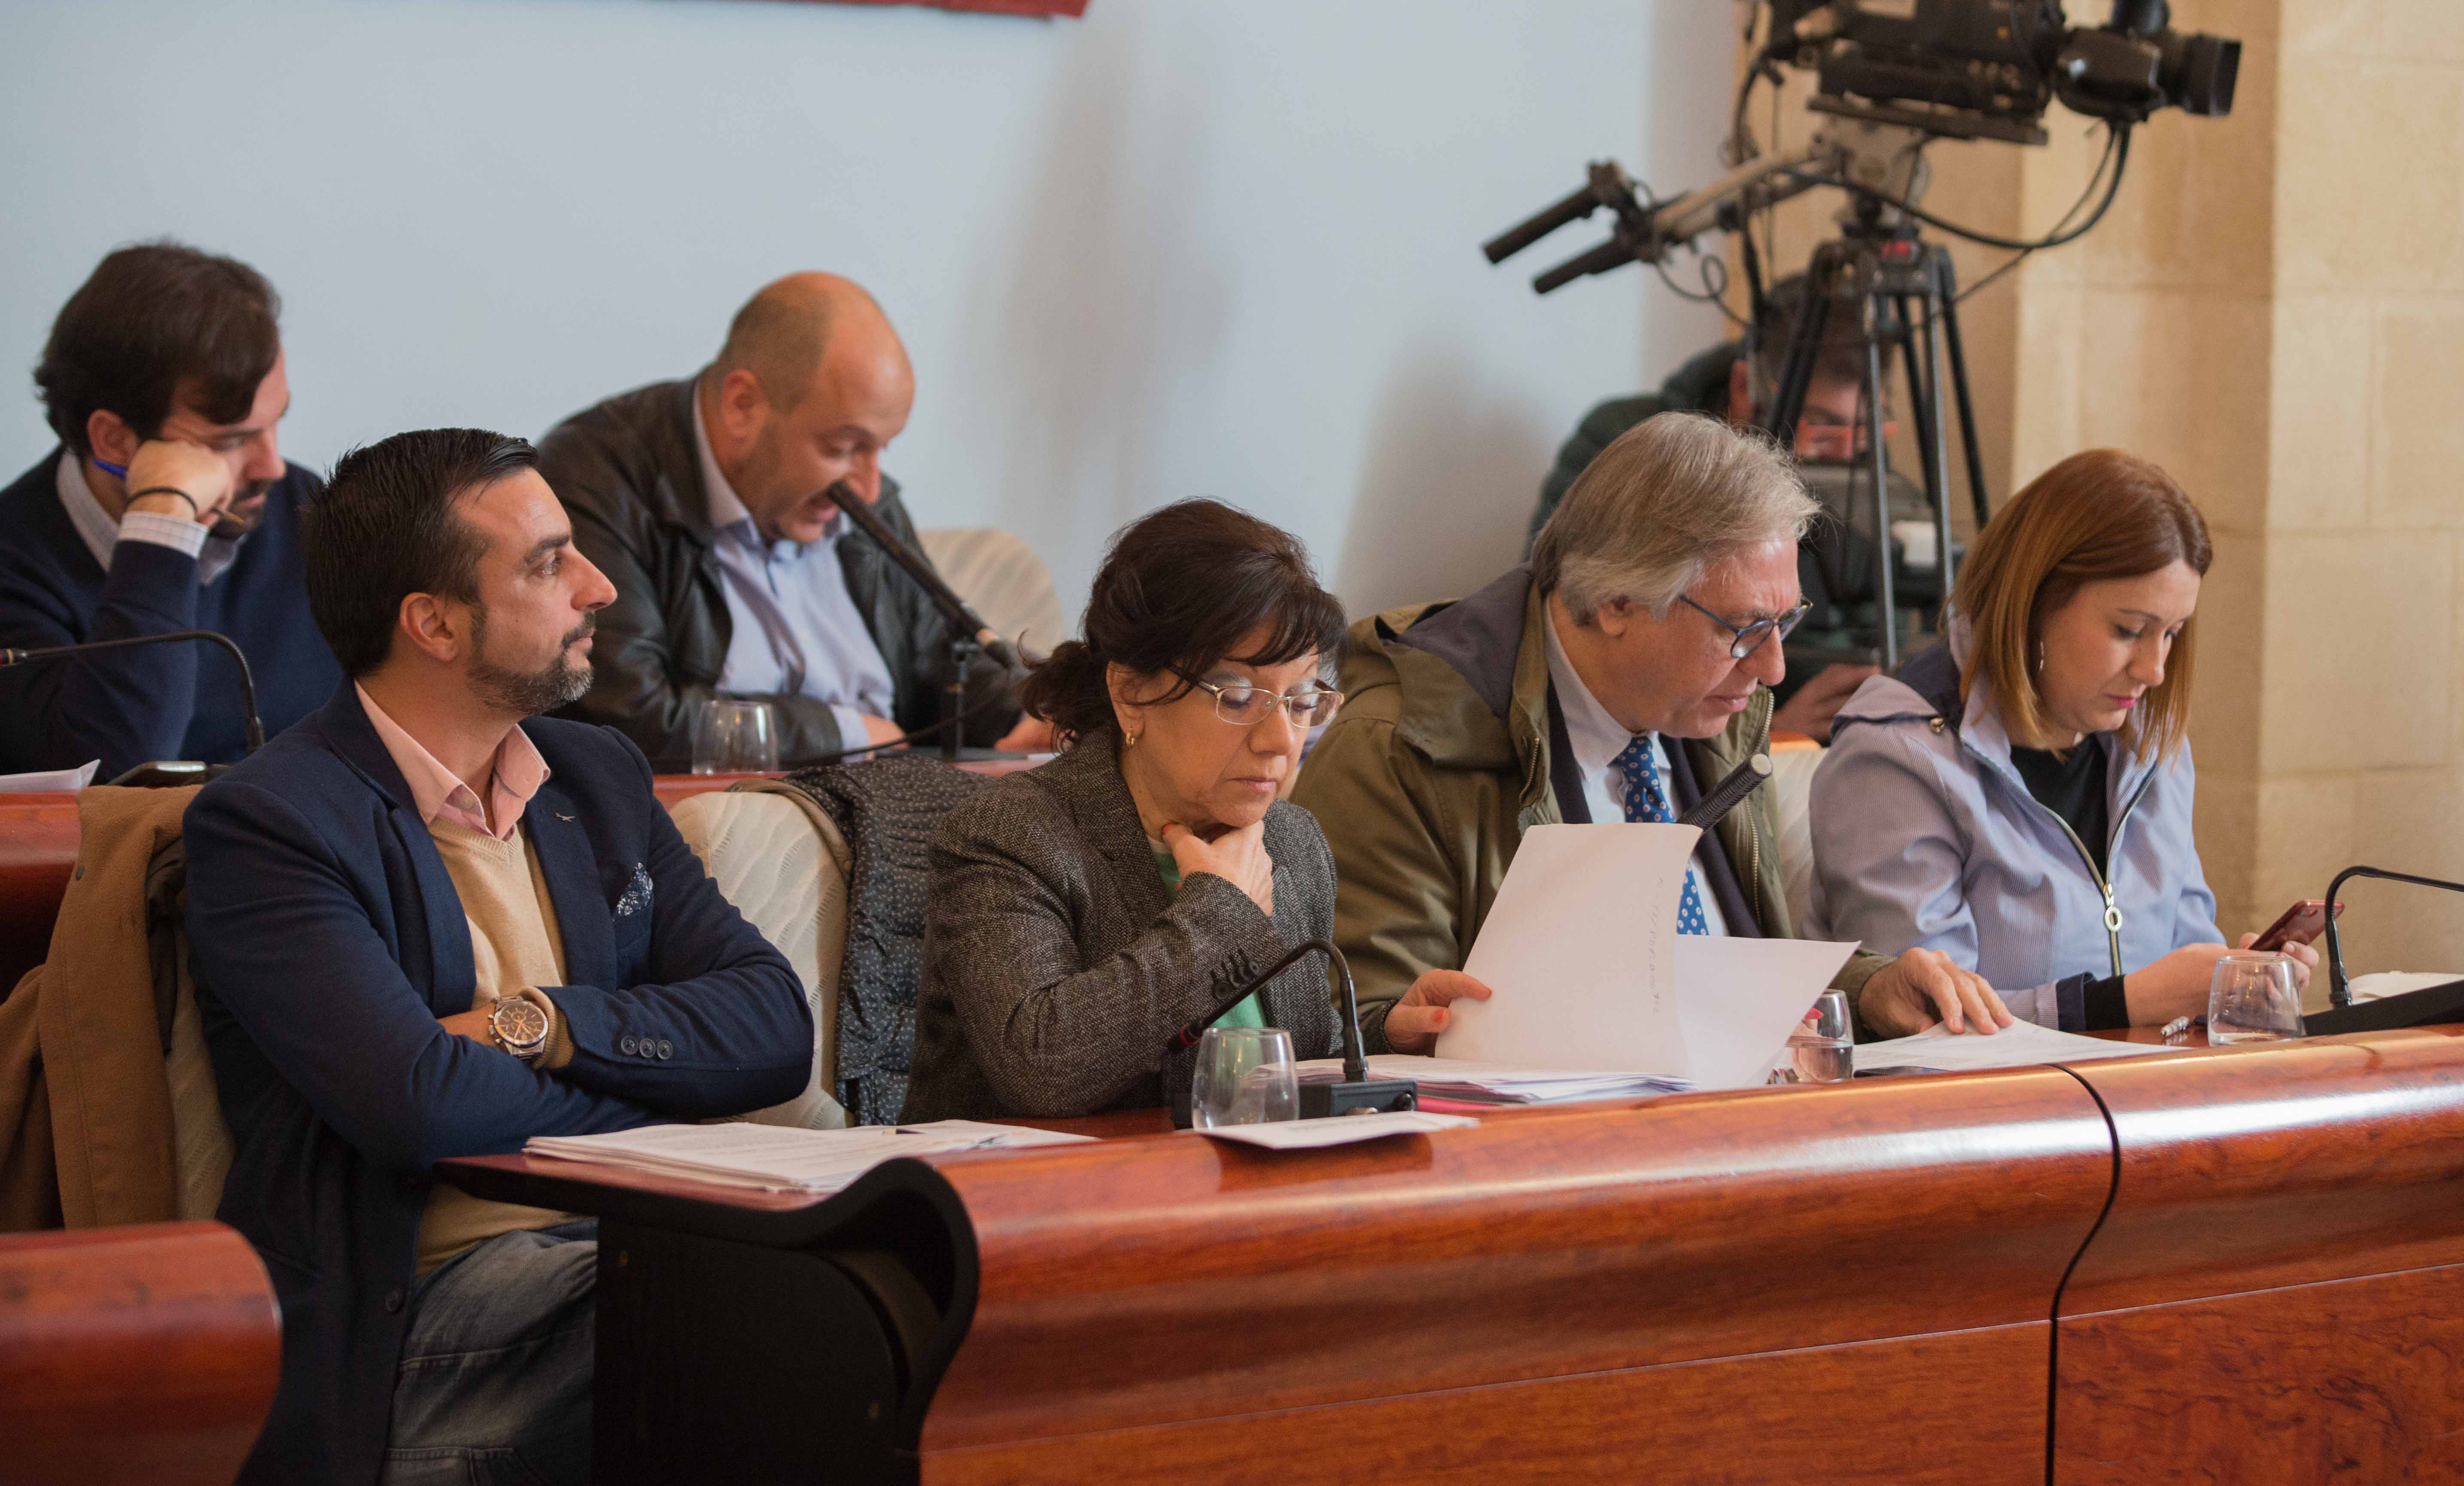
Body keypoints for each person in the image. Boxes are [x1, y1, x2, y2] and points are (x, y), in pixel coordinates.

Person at [185, 429, 812, 1486]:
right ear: (431, 621)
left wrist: (542, 1027)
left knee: (892, 1272)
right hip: (416, 1337)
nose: (598, 586)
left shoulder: (598, 774)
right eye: (545, 563)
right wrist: (669, 1077)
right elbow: (417, 1104)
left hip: (627, 1245)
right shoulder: (272, 823)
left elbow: (772, 1026)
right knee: (768, 1315)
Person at [1295, 411, 2007, 1051]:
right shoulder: (1401, 746)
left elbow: (1716, 964)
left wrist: (1867, 990)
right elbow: (1367, 1037)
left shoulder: (1709, 719)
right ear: (1614, 603)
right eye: (1744, 629)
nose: (1773, 667)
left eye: (1785, 621)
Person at [904, 500, 1487, 1121]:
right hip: (1043, 1205)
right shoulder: (1011, 836)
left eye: (1300, 700)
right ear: (1132, 693)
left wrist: (1384, 1040)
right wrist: (1218, 914)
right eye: (1238, 696)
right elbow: (1043, 1070)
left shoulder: (1291, 840)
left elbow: (1286, 1065)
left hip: (1248, 1198)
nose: (1281, 740)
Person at [1804, 448, 2316, 1029]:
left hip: (2142, 1106)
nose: (2155, 671)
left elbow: (2186, 962)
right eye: (2129, 630)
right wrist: (2119, 1004)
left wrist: (2235, 987)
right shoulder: (1896, 758)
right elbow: (1927, 1022)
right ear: (2035, 603)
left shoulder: (2152, 746)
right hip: (1985, 1115)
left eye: (2171, 634)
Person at [536, 272, 1051, 770]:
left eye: (881, 450)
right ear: (742, 405)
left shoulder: (855, 496)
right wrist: (844, 732)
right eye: (842, 447)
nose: (871, 490)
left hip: (891, 807)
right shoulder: (594, 481)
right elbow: (629, 716)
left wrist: (1034, 710)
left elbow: (942, 662)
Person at [0, 242, 338, 778]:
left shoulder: (310, 511)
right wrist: (163, 526)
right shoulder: (15, 564)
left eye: (275, 423)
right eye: (231, 441)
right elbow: (109, 774)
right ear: (114, 440)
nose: (271, 465)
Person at [1528, 279, 1905, 743]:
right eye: (1821, 426)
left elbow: (1876, 602)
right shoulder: (1626, 446)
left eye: (1864, 430)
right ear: (1747, 387)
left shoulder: (1854, 463)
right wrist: (1760, 733)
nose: (1844, 454)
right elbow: (1569, 616)